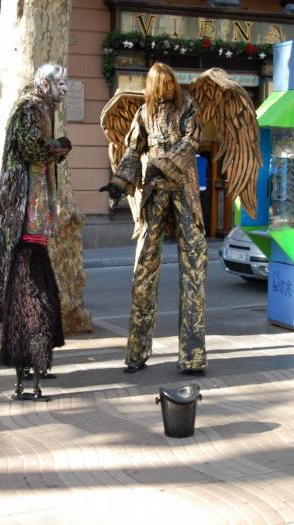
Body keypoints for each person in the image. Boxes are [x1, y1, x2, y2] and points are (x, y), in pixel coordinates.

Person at [100, 62, 208, 375]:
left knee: (194, 269)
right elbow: (133, 151)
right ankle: (136, 353)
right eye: (158, 83)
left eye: (167, 82)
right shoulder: (143, 112)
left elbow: (191, 142)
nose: (164, 88)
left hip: (184, 190)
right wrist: (119, 182)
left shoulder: (187, 105)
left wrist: (166, 163)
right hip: (153, 192)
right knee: (143, 269)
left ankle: (193, 356)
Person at [0, 63, 72, 400]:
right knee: (30, 291)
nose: (64, 88)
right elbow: (33, 148)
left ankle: (32, 361)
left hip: (31, 214)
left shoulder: (38, 107)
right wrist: (61, 145)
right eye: (60, 82)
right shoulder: (31, 107)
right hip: (25, 214)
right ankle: (28, 362)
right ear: (45, 84)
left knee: (34, 287)